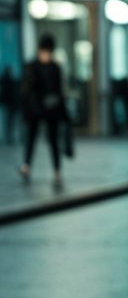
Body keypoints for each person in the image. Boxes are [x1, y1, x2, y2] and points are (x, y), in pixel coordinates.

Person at [18, 33, 68, 191]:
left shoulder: (55, 67)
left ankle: (57, 170)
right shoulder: (32, 67)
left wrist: (61, 109)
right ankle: (26, 166)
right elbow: (26, 89)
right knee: (31, 138)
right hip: (35, 109)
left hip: (51, 109)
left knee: (53, 140)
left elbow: (60, 90)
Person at [0, 64, 19, 145]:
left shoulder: (5, 81)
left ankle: (7, 137)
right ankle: (8, 137)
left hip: (8, 104)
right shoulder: (10, 81)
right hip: (9, 104)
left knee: (7, 122)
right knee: (9, 122)